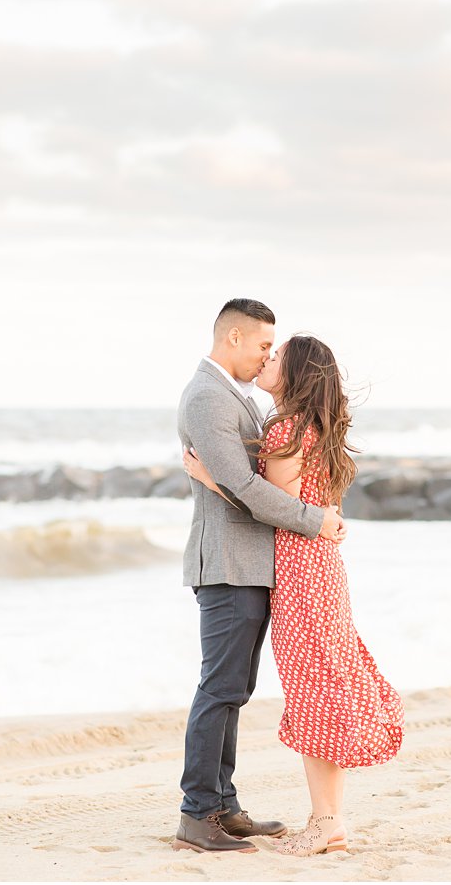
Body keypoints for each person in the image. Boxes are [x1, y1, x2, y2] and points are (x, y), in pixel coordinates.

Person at [184, 332, 404, 858]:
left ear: (296, 373)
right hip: (322, 570)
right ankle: (330, 821)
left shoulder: (285, 426)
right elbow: (300, 503)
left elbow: (273, 506)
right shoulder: (315, 426)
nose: (269, 357)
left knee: (314, 698)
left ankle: (326, 822)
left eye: (277, 354)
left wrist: (211, 479)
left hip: (301, 574)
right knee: (324, 692)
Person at [172, 299, 348, 854]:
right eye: (263, 346)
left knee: (234, 689)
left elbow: (249, 479)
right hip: (227, 564)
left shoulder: (238, 399)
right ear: (234, 339)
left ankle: (223, 804)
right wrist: (316, 520)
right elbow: (247, 489)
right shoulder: (207, 397)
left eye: (274, 350)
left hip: (253, 565)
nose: (267, 355)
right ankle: (199, 812)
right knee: (219, 687)